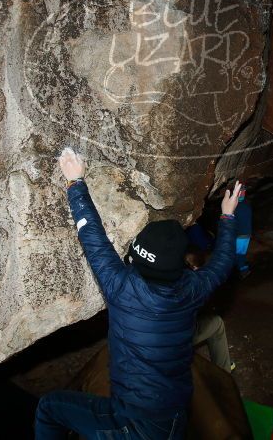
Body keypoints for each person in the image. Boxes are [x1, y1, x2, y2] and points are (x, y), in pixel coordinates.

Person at [34, 148, 243, 440]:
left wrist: (75, 182)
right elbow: (222, 263)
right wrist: (228, 217)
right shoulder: (193, 288)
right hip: (174, 417)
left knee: (49, 408)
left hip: (133, 426)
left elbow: (92, 238)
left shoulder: (122, 288)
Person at [234, 184, 252, 277]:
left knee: (239, 253)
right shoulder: (245, 204)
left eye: (243, 191)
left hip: (241, 234)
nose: (242, 193)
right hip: (247, 233)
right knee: (241, 252)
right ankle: (242, 265)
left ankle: (243, 271)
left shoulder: (237, 206)